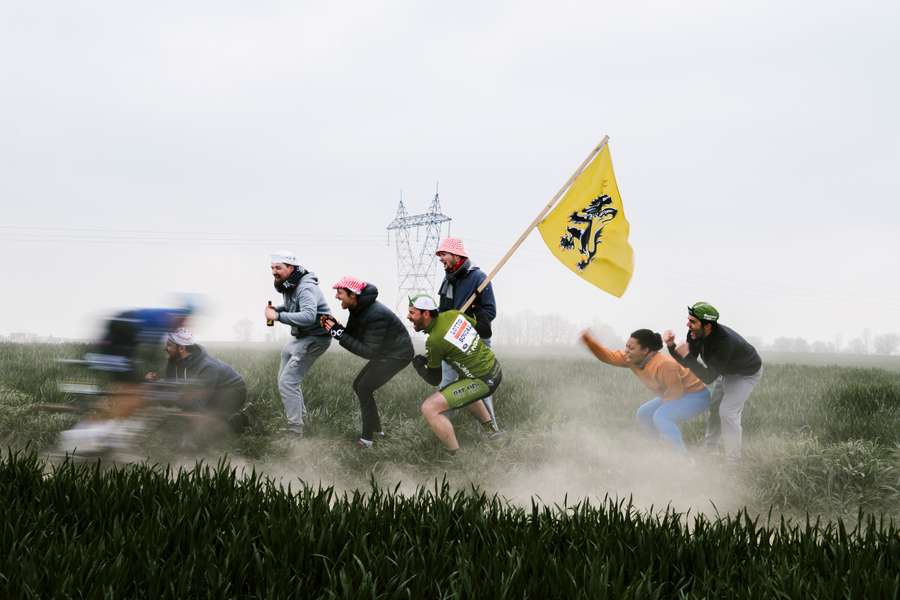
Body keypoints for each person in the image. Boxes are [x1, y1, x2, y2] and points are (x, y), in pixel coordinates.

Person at [320, 276, 414, 448]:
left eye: (339, 293)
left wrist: (338, 333)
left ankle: (367, 439)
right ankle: (377, 431)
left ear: (353, 295)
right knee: (359, 385)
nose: (336, 297)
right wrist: (336, 328)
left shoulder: (374, 314)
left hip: (397, 355)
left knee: (364, 387)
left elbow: (368, 351)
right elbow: (353, 335)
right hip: (385, 352)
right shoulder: (358, 308)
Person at [579, 328, 710, 452]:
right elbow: (608, 356)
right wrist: (590, 343)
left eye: (631, 348)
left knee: (662, 416)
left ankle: (681, 458)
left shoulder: (664, 364)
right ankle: (654, 450)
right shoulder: (631, 359)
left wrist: (662, 411)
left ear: (646, 350)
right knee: (643, 413)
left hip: (696, 396)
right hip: (673, 394)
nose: (626, 351)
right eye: (626, 346)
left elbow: (676, 393)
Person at [663, 302, 763, 459]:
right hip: (725, 372)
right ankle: (710, 450)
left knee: (728, 412)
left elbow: (708, 377)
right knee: (715, 408)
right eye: (689, 320)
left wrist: (687, 355)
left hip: (745, 374)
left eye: (693, 321)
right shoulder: (695, 334)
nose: (688, 324)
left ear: (708, 325)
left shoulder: (724, 343)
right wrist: (671, 346)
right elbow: (688, 362)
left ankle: (733, 461)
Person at [407, 294, 502, 453]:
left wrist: (419, 367)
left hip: (482, 381)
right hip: (494, 370)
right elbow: (485, 331)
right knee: (463, 388)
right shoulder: (453, 314)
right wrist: (478, 309)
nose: (408, 316)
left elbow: (434, 378)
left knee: (429, 408)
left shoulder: (434, 340)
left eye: (412, 312)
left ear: (426, 314)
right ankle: (494, 434)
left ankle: (455, 456)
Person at [264, 250, 331, 437]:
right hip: (301, 338)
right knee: (285, 373)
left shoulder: (305, 287)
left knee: (288, 382)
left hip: (316, 338)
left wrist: (277, 316)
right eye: (272, 268)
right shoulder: (289, 285)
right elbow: (294, 307)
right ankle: (302, 419)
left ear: (291, 268)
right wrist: (278, 309)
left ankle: (295, 430)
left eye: (278, 268)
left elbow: (309, 316)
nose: (274, 272)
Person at [435, 237, 500, 428]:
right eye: (439, 256)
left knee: (480, 388)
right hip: (451, 342)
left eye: (443, 255)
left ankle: (492, 432)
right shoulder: (448, 279)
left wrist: (471, 317)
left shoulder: (479, 278)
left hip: (474, 342)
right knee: (447, 384)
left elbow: (490, 311)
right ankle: (442, 427)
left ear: (456, 255)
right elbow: (443, 310)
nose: (441, 259)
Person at [151, 328, 249, 433]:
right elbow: (168, 400)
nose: (165, 348)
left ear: (181, 348)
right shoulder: (172, 362)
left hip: (232, 390)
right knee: (186, 415)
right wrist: (157, 384)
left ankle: (234, 419)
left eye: (169, 345)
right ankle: (221, 416)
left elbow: (197, 404)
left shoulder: (207, 367)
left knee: (201, 421)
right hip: (209, 391)